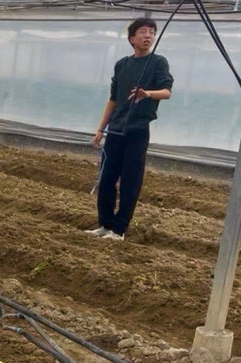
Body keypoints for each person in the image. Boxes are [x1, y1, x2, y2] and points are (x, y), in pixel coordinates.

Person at [88, 17, 174, 241]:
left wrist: (147, 94)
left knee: (130, 181)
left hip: (137, 130)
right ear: (131, 39)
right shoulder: (122, 65)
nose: (148, 36)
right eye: (143, 32)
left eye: (152, 33)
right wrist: (100, 129)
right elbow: (113, 99)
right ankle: (105, 225)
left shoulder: (158, 62)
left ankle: (119, 230)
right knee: (106, 179)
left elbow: (166, 91)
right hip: (115, 130)